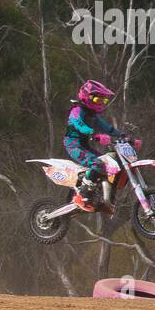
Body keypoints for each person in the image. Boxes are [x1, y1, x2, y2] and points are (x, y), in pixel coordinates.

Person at [64, 79, 125, 214]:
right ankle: (80, 197)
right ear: (88, 96)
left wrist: (123, 136)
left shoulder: (92, 115)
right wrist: (91, 133)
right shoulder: (77, 109)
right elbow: (77, 123)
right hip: (73, 145)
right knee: (97, 164)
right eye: (98, 99)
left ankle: (100, 199)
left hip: (84, 145)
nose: (100, 103)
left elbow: (107, 127)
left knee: (109, 165)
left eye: (103, 101)